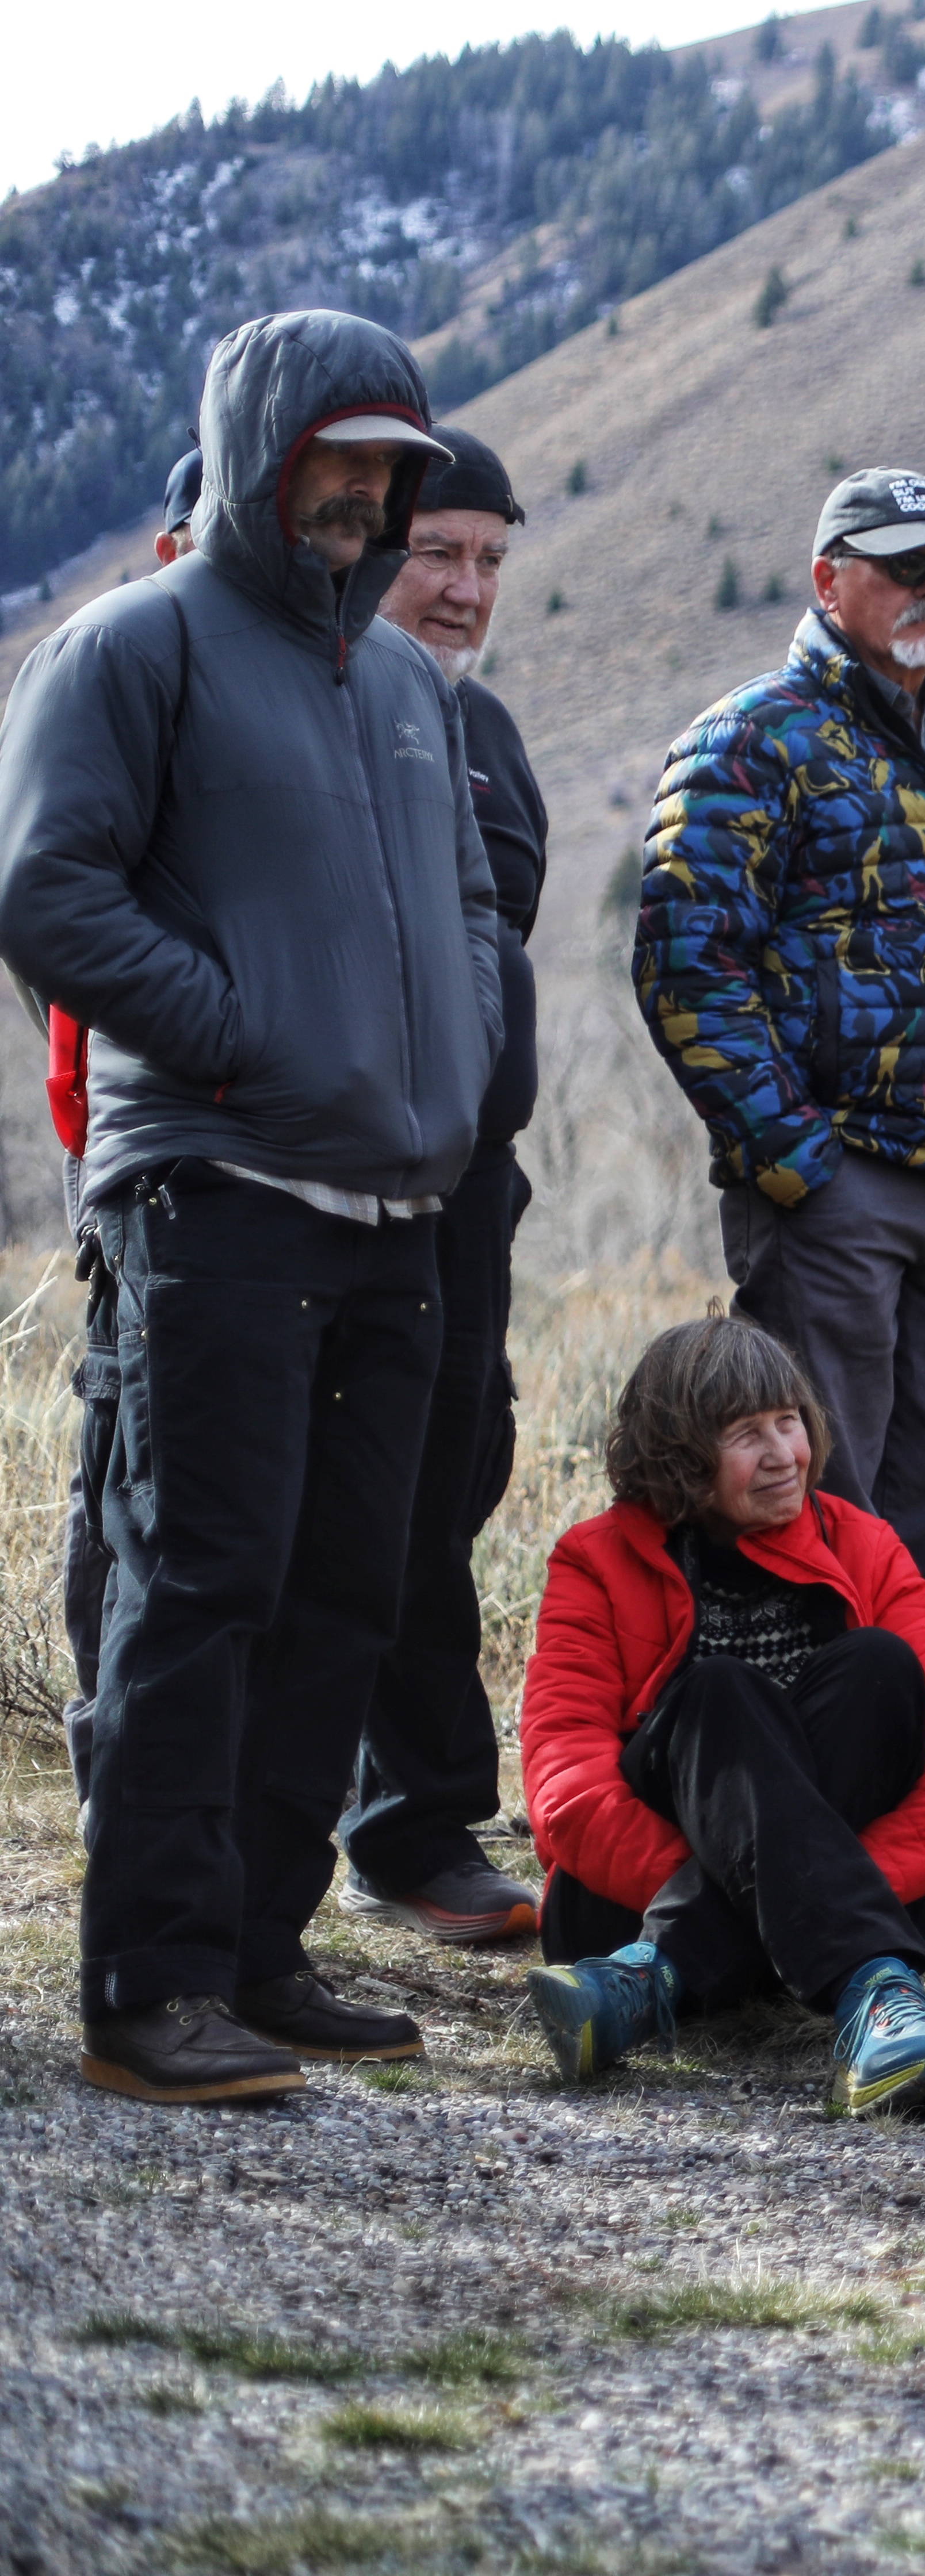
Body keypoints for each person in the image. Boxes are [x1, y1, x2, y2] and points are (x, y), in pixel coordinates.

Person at [0, 311, 502, 2104]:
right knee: (198, 1584)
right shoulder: (131, 651)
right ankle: (150, 1983)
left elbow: (461, 921)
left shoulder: (403, 690)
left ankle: (264, 1951)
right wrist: (240, 1044)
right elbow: (46, 894)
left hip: (396, 1210)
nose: (365, 496)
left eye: (393, 467)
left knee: (346, 1591)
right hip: (215, 1193)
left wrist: (447, 1080)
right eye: (337, 460)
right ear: (264, 454)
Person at [636, 466, 925, 1692]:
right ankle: (798, 1802)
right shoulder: (749, 738)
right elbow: (684, 963)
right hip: (841, 1188)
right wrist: (801, 1166)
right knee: (811, 1490)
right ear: (831, 581)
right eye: (907, 568)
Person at [517, 1317, 925, 2118]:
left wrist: (813, 1884)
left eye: (791, 1423)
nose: (785, 1454)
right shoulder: (595, 1559)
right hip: (621, 1906)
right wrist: (797, 1891)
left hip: (796, 1907)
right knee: (719, 1692)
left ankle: (654, 1981)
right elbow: (564, 1783)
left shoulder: (865, 1545)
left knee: (880, 1666)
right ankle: (874, 1989)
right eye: (748, 1434)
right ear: (679, 1454)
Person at [338, 424, 549, 1948]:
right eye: (439, 553)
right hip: (331, 1175)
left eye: (488, 557)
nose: (467, 586)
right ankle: (389, 1825)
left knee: (453, 1480)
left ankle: (414, 1823)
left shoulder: (492, 736)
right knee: (348, 1503)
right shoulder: (321, 702)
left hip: (474, 1186)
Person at [36, 447, 202, 1833]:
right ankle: (118, 1773)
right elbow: (54, 928)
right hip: (137, 1166)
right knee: (128, 1475)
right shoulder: (119, 683)